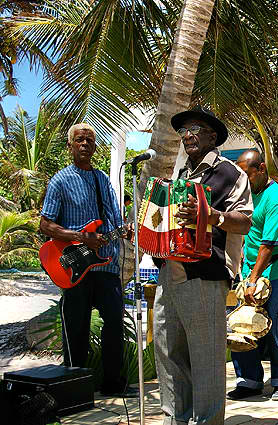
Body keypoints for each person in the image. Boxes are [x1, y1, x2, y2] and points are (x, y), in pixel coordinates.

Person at [153, 108, 253, 425]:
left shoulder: (231, 174)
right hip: (170, 275)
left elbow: (245, 222)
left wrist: (212, 216)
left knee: (207, 360)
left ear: (213, 136)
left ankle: (207, 422)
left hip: (205, 277)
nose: (187, 135)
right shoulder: (181, 177)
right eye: (184, 130)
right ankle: (176, 419)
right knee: (168, 354)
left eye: (196, 128)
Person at [39, 123, 136, 398]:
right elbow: (45, 224)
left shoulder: (103, 179)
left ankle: (114, 384)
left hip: (106, 265)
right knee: (76, 325)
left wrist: (125, 230)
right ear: (70, 146)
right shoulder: (60, 180)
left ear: (95, 147)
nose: (84, 144)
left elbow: (115, 220)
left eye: (89, 141)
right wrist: (80, 237)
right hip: (73, 264)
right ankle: (75, 386)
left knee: (116, 321)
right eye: (79, 140)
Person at [228, 150, 278, 402]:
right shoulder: (248, 195)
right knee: (243, 323)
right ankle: (248, 380)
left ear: (261, 169)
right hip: (252, 269)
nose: (243, 181)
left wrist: (253, 280)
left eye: (247, 175)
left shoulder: (277, 200)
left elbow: (269, 245)